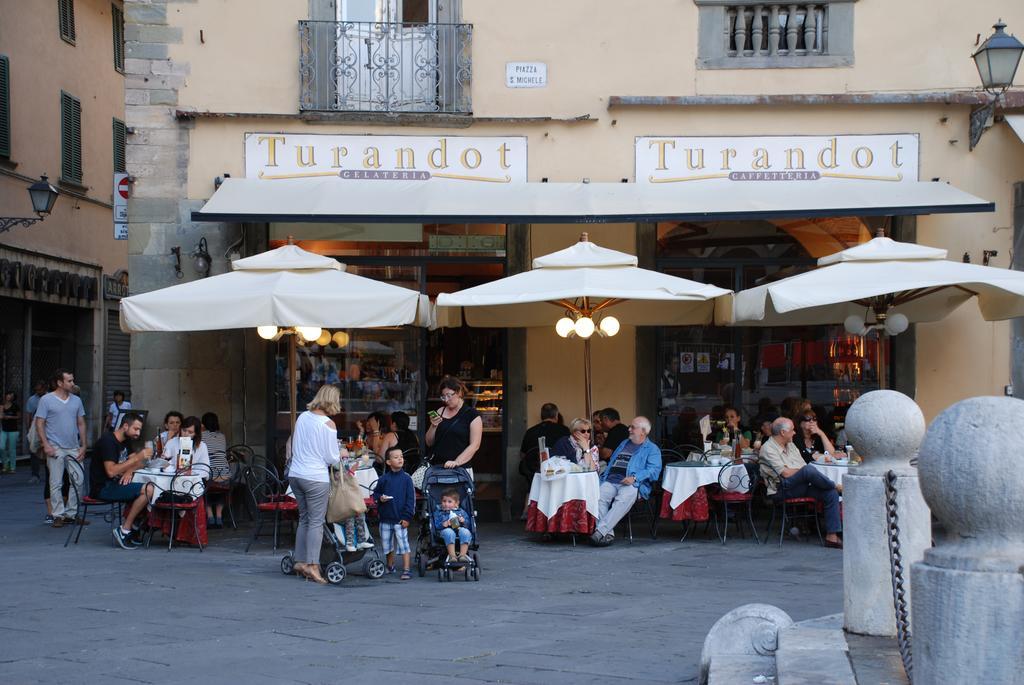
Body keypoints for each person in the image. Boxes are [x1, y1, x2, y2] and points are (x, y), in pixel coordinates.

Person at [288, 384, 344, 585]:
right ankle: (312, 564)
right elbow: (331, 458)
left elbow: (296, 445)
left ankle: (300, 560)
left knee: (304, 519)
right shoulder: (328, 424)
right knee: (316, 522)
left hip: (296, 474)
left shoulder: (303, 416)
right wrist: (341, 453)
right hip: (315, 477)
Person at [759, 417, 843, 548]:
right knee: (809, 471)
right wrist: (803, 473)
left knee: (830, 493)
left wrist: (802, 473)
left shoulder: (791, 445)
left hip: (799, 485)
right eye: (792, 430)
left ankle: (831, 536)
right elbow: (785, 473)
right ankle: (837, 486)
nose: (794, 433)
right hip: (780, 489)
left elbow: (802, 466)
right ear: (782, 432)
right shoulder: (768, 448)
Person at [591, 417, 662, 546]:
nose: (629, 429)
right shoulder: (624, 443)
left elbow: (654, 471)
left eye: (633, 427)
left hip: (634, 483)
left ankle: (600, 532)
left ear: (643, 432)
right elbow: (612, 461)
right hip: (611, 479)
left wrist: (635, 477)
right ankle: (607, 534)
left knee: (623, 498)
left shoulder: (652, 449)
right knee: (598, 497)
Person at [89, 412, 157, 549]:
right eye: (136, 429)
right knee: (148, 490)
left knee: (150, 487)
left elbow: (138, 464)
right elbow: (111, 471)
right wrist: (138, 457)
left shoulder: (125, 440)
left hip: (116, 483)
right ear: (125, 426)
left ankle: (134, 527)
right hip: (103, 487)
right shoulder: (108, 442)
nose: (138, 433)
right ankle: (125, 530)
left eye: (139, 430)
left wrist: (129, 471)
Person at [35, 369, 87, 528]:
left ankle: (71, 513)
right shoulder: (46, 400)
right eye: (69, 381)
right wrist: (46, 444)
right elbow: (39, 423)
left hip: (73, 446)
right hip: (55, 446)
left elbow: (81, 423)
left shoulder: (76, 400)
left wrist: (84, 445)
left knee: (78, 480)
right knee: (56, 482)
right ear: (59, 383)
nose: (73, 383)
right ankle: (58, 515)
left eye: (72, 380)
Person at [372, 447, 416, 580]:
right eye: (396, 457)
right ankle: (390, 565)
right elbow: (376, 493)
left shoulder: (407, 479)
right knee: (387, 545)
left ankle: (407, 569)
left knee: (403, 544)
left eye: (401, 456)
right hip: (385, 518)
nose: (400, 459)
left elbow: (411, 499)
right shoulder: (384, 479)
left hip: (400, 519)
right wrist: (380, 498)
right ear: (388, 462)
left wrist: (407, 517)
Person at [425, 377, 482, 471]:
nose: (446, 400)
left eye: (449, 395)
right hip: (437, 467)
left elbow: (475, 445)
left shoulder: (473, 415)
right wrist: (433, 425)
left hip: (460, 468)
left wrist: (456, 462)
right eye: (443, 396)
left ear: (459, 392)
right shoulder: (440, 411)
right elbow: (429, 442)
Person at [519, 402, 570, 477]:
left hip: (532, 471)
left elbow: (522, 454)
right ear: (556, 416)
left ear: (541, 416)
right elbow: (569, 451)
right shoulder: (564, 430)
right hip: (556, 471)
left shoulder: (530, 431)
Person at [201, 412, 230, 528]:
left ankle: (210, 516)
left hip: (210, 477)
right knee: (220, 490)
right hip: (225, 477)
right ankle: (218, 516)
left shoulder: (201, 436)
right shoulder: (222, 436)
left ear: (202, 424)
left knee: (200, 487)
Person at [433, 488, 472, 564]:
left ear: (456, 503)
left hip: (459, 530)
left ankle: (462, 555)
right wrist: (443, 524)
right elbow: (435, 525)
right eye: (444, 501)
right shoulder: (439, 512)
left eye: (449, 502)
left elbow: (468, 524)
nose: (446, 504)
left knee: (466, 531)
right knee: (449, 532)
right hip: (445, 532)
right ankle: (452, 556)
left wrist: (463, 521)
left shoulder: (461, 512)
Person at [25, 381, 45, 484]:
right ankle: (35, 474)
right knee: (34, 451)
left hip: (46, 428)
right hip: (35, 427)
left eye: (40, 389)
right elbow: (28, 414)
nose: (38, 391)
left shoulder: (49, 398)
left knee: (47, 452)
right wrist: (29, 428)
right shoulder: (32, 400)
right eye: (36, 390)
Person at [1, 390, 20, 474]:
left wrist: (10, 417)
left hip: (13, 429)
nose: (9, 396)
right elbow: (1, 416)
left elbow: (19, 417)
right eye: (8, 395)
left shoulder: (15, 406)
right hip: (3, 429)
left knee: (12, 449)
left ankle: (12, 467)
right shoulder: (1, 406)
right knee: (1, 447)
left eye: (11, 395)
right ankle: (5, 465)